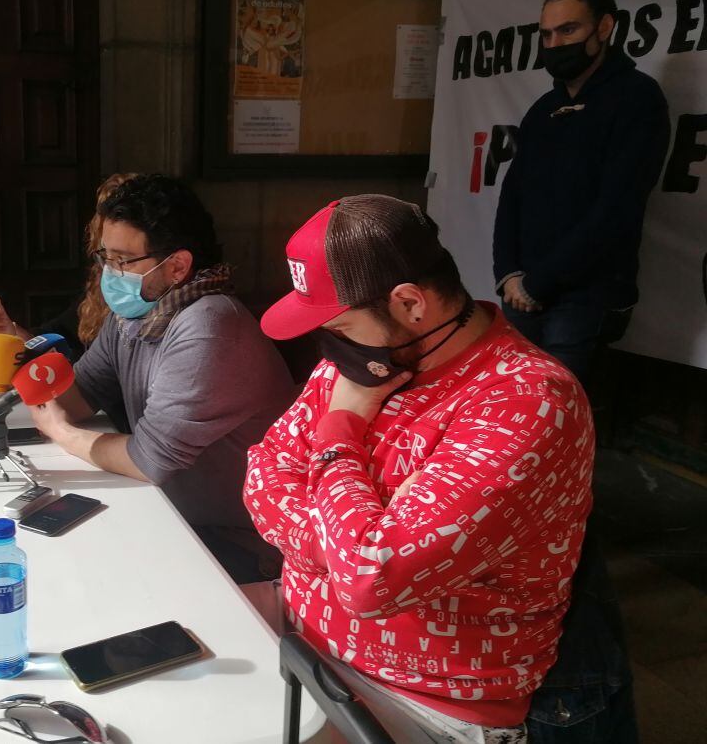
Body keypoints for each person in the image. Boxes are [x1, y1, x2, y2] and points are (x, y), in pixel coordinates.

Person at [245, 194, 607, 743]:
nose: (328, 346)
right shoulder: (369, 356)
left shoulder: (527, 400)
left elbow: (371, 579)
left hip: (424, 700)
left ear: (411, 303)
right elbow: (261, 474)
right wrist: (352, 537)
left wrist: (340, 431)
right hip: (306, 649)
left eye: (339, 324)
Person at [0, 174, 296, 581]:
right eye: (105, 257)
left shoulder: (209, 326)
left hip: (235, 541)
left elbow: (148, 460)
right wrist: (12, 349)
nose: (110, 272)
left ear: (177, 266)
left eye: (123, 260)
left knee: (71, 576)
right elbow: (78, 397)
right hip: (167, 511)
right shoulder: (136, 314)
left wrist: (61, 432)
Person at [493, 0, 670, 384]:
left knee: (557, 416)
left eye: (568, 29)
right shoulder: (544, 109)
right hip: (524, 293)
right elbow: (513, 194)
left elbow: (617, 210)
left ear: (604, 27)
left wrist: (539, 282)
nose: (555, 44)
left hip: (586, 297)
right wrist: (508, 274)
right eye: (547, 34)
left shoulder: (637, 99)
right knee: (515, 407)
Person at [0, 172, 136, 356]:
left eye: (124, 258)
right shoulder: (103, 282)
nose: (114, 268)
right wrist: (12, 334)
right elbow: (57, 336)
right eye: (108, 255)